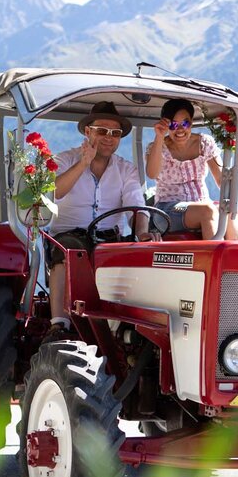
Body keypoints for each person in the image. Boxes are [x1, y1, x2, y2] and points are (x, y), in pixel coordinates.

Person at [44, 101, 143, 339]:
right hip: (69, 234)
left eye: (115, 133)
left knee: (142, 254)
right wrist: (83, 163)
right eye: (102, 131)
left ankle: (130, 325)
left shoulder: (126, 169)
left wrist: (143, 233)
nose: (109, 138)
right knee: (71, 249)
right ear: (88, 132)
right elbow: (55, 191)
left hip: (109, 237)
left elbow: (137, 208)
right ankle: (58, 325)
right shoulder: (66, 160)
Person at [143, 99, 238, 241]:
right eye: (173, 125)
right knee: (207, 211)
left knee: (226, 211)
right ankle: (214, 260)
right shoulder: (158, 147)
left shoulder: (204, 143)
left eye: (185, 123)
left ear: (191, 123)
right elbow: (152, 174)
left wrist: (233, 207)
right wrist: (159, 137)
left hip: (202, 203)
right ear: (166, 125)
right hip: (168, 209)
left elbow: (222, 180)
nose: (180, 130)